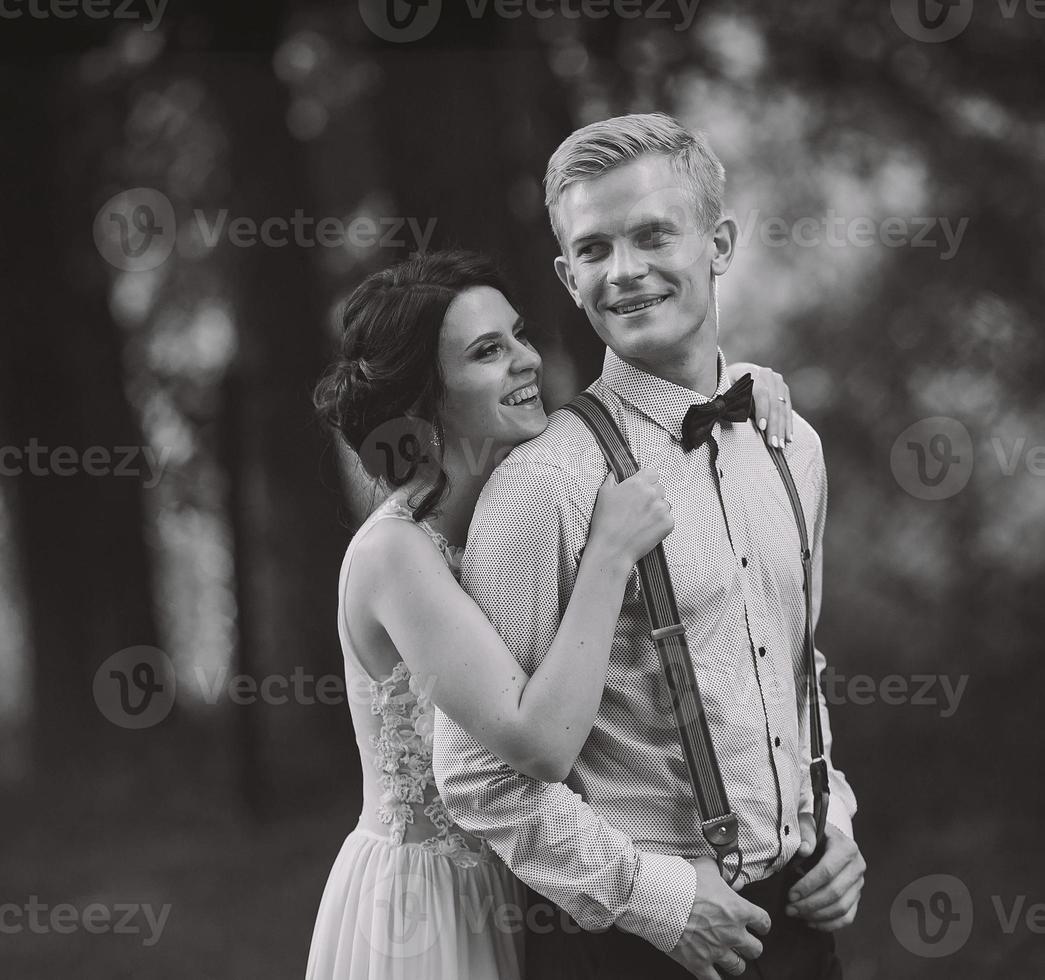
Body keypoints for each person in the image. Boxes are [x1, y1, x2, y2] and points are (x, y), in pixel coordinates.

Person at [433, 113, 864, 980]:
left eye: (652, 235)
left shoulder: (793, 447)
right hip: (630, 945)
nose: (622, 273)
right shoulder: (543, 484)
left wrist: (836, 821)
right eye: (593, 250)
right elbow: (479, 776)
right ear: (566, 275)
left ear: (719, 242)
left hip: (801, 924)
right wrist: (657, 905)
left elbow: (793, 668)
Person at [306, 248, 794, 980]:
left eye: (518, 335)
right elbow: (540, 744)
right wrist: (606, 559)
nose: (525, 361)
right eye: (486, 353)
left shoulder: (514, 509)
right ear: (422, 400)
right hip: (435, 904)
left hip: (535, 878)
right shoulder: (398, 554)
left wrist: (741, 389)